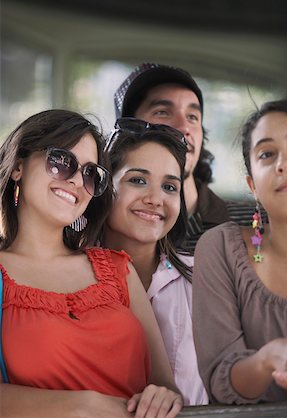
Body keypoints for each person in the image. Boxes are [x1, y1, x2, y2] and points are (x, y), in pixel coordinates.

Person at [0, 109, 183, 418]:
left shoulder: (118, 270)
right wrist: (78, 405)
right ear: (18, 166)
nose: (75, 180)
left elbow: (167, 387)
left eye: (90, 174)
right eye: (61, 162)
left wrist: (162, 397)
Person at [192, 99, 287, 404]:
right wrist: (269, 358)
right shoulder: (221, 249)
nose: (284, 164)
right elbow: (220, 383)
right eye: (267, 154)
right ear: (252, 185)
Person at [103, 118, 208, 406]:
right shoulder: (65, 277)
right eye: (137, 180)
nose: (155, 198)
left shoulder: (206, 278)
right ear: (102, 186)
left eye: (170, 187)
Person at [113, 62, 261, 253]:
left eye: (192, 117)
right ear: (128, 132)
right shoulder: (91, 231)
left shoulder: (254, 225)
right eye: (163, 112)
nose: (184, 128)